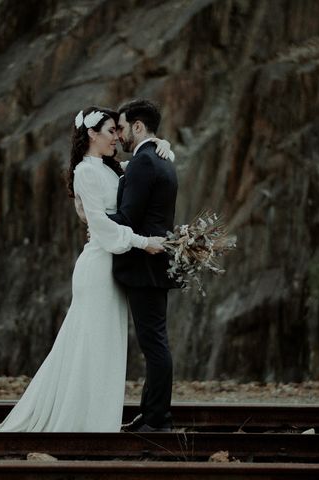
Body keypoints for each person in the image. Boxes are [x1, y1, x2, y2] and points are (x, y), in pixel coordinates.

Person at [0, 106, 172, 432]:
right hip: (98, 268)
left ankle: (96, 420)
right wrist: (143, 242)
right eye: (110, 132)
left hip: (112, 266)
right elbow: (102, 227)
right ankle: (83, 423)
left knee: (103, 347)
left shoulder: (109, 168)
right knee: (91, 347)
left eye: (119, 132)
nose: (117, 138)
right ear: (91, 134)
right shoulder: (86, 172)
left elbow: (144, 168)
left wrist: (163, 145)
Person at [110, 99, 179, 433]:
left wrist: (96, 218)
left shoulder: (144, 163)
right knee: (154, 341)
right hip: (154, 266)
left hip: (145, 265)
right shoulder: (162, 160)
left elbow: (127, 217)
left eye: (121, 127)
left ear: (138, 127)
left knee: (154, 343)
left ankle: (158, 419)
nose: (119, 135)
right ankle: (149, 413)